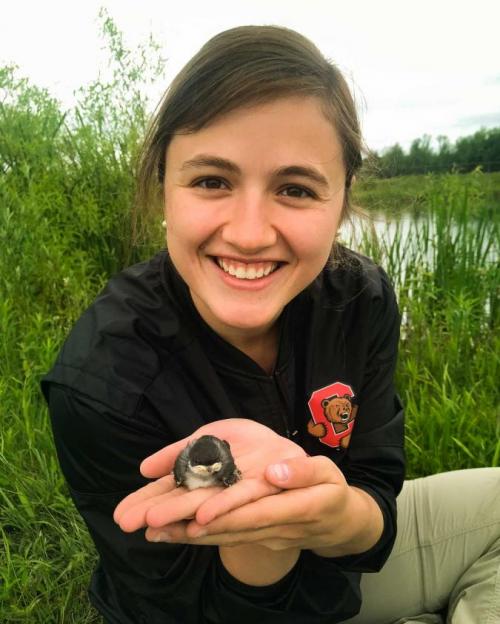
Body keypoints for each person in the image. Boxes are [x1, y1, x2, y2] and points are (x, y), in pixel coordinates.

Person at [41, 25, 500, 624]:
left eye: (295, 188)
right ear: (163, 189)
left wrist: (340, 516)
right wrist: (266, 531)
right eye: (212, 181)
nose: (251, 233)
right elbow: (177, 606)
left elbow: (376, 484)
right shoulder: (101, 381)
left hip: (342, 561)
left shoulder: (359, 299)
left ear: (342, 199)